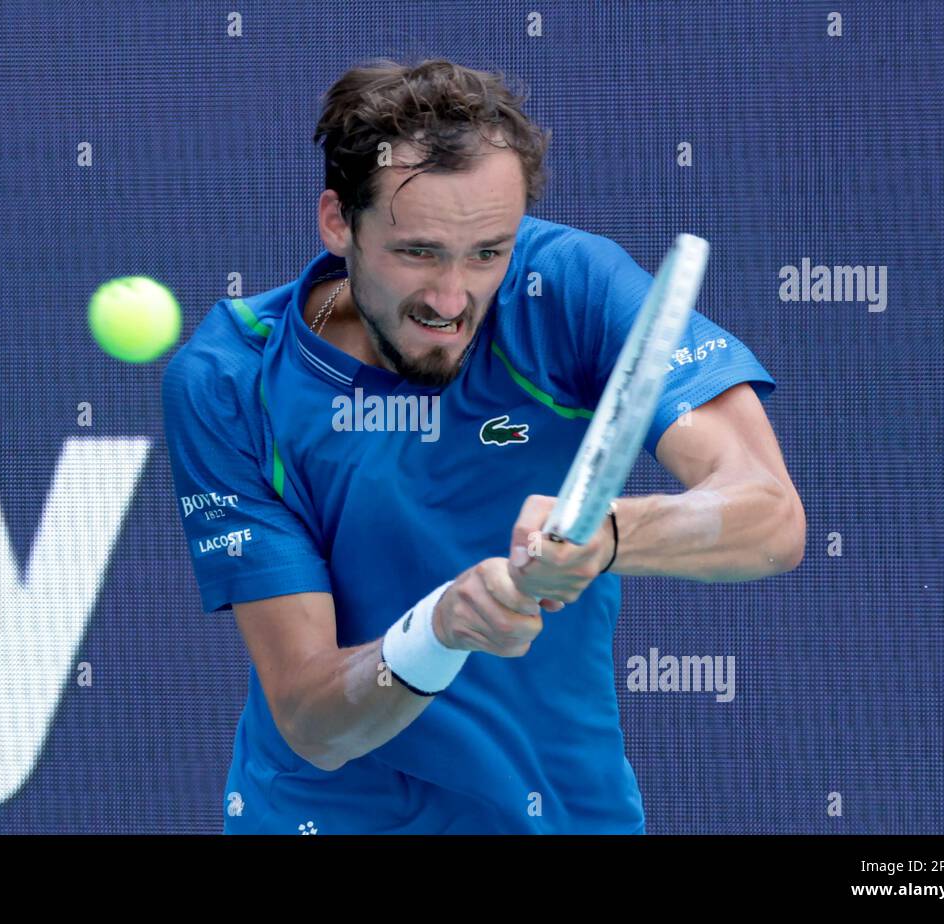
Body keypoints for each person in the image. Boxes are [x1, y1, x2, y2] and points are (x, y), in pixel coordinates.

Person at [163, 58, 805, 834]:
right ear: (338, 222)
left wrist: (605, 537)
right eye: (419, 253)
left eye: (487, 253)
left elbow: (770, 519)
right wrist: (438, 630)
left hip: (561, 812)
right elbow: (312, 720)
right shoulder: (232, 378)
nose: (451, 298)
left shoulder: (571, 288)